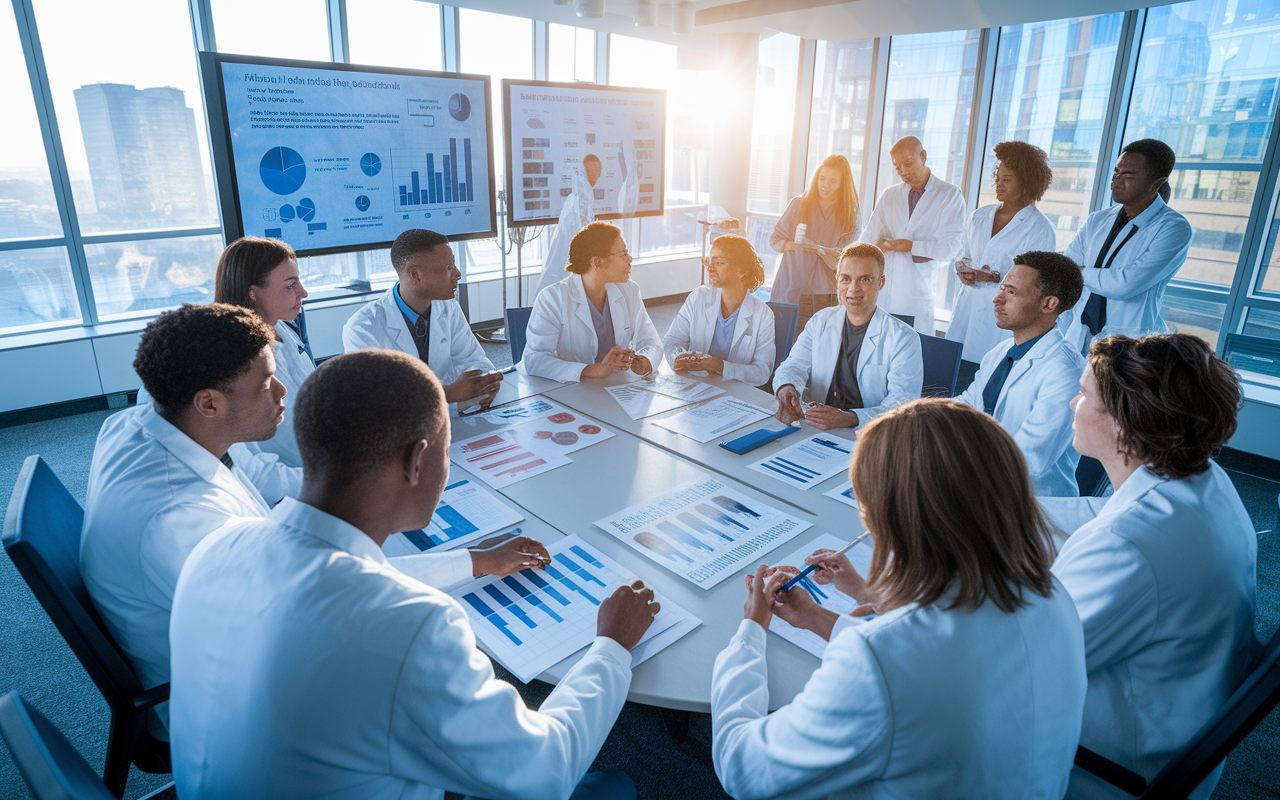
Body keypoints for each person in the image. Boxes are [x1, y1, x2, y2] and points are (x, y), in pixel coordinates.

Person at [168, 349, 660, 800]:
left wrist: (474, 560)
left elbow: (346, 579)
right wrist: (613, 647)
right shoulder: (413, 628)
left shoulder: (217, 546)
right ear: (416, 460)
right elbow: (546, 772)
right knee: (611, 787)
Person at [711, 399, 1087, 800]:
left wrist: (750, 632)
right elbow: (938, 651)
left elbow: (742, 768)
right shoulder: (1051, 592)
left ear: (886, 516)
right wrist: (819, 616)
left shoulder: (876, 660)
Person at [1051, 334, 1255, 799]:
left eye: (1083, 394)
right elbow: (1102, 516)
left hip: (1100, 768)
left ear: (1124, 424)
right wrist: (997, 506)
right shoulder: (1200, 477)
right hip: (1169, 725)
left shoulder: (1129, 545)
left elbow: (1019, 661)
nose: (1072, 401)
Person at [80, 304, 282, 738]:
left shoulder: (129, 424)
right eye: (266, 383)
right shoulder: (180, 520)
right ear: (208, 402)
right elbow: (290, 625)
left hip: (225, 628)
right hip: (226, 706)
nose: (282, 392)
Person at [957, 251, 1084, 496]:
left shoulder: (1066, 373)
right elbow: (966, 405)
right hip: (982, 486)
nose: (997, 299)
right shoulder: (1001, 352)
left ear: (1049, 304)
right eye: (1002, 288)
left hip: (1031, 502)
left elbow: (1029, 460)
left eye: (1011, 292)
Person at [343, 228, 501, 410]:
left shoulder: (448, 307)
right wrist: (448, 393)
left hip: (446, 418)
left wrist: (485, 383)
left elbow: (472, 358)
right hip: (396, 430)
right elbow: (374, 399)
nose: (458, 274)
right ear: (415, 274)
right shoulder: (362, 327)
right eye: (448, 268)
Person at [772, 243, 922, 431]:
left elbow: (902, 408)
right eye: (846, 279)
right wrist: (787, 387)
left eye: (865, 280)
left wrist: (849, 418)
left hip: (872, 433)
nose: (853, 289)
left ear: (880, 283)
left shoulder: (904, 338)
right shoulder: (820, 321)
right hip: (818, 426)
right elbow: (793, 366)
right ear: (837, 282)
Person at [1061, 139, 1192, 348]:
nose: (1115, 180)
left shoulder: (1174, 228)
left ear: (1157, 183)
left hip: (1130, 339)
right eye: (1116, 171)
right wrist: (1077, 271)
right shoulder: (1097, 220)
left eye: (1128, 175)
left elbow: (1126, 284)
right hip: (1078, 329)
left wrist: (1079, 271)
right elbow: (1066, 272)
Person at [946, 141, 1058, 374]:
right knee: (954, 378)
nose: (998, 184)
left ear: (1027, 183)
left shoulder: (1039, 228)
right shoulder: (980, 216)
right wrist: (963, 268)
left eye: (1006, 180)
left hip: (1002, 320)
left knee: (987, 378)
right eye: (997, 178)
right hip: (967, 312)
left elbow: (1035, 281)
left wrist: (995, 278)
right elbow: (964, 253)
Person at [213, 236, 312, 469]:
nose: (304, 292)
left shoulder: (284, 327)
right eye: (290, 286)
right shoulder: (232, 357)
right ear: (252, 293)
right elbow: (250, 461)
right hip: (289, 478)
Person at [523, 221, 663, 382]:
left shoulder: (629, 290)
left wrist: (645, 360)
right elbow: (534, 360)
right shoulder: (552, 298)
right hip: (569, 387)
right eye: (623, 254)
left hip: (613, 384)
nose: (630, 259)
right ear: (597, 262)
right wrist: (591, 370)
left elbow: (651, 342)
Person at [862, 136, 967, 334]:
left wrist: (911, 246)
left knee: (910, 353)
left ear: (923, 156)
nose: (903, 172)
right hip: (883, 292)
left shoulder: (949, 195)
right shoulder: (889, 195)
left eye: (908, 163)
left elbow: (951, 248)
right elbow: (867, 239)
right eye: (897, 167)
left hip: (916, 294)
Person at [663, 234, 776, 386]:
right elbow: (672, 340)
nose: (710, 268)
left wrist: (719, 366)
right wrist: (678, 357)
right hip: (694, 384)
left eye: (719, 262)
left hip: (737, 391)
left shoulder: (763, 315)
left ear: (742, 270)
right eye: (709, 262)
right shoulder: (698, 298)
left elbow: (762, 372)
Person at [768, 154, 860, 306]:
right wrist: (798, 245)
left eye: (833, 181)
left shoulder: (851, 213)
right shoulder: (798, 204)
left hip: (825, 288)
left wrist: (819, 249)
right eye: (822, 178)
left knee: (820, 327)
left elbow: (847, 253)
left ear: (842, 184)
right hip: (791, 282)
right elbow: (775, 240)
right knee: (787, 326)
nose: (825, 185)